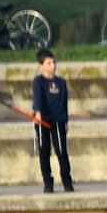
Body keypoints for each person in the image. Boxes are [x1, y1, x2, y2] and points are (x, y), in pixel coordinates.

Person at [31, 48, 73, 193]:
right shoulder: (38, 82)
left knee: (62, 151)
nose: (53, 66)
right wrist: (37, 112)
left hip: (58, 120)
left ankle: (67, 181)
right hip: (43, 121)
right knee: (44, 151)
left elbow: (64, 101)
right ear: (41, 66)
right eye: (49, 63)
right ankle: (48, 183)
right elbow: (38, 98)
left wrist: (65, 119)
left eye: (53, 62)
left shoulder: (61, 82)